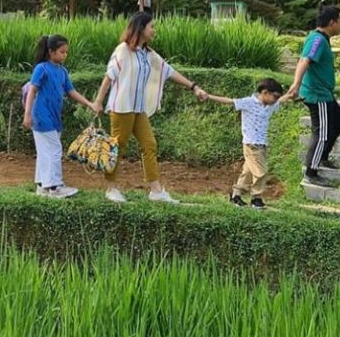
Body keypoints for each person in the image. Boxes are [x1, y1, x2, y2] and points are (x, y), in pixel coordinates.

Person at [92, 11, 208, 204]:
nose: (154, 30)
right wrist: (98, 101)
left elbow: (168, 71)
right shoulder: (123, 50)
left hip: (138, 108)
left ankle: (156, 191)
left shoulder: (148, 54)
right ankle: (111, 189)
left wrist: (194, 87)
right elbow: (109, 76)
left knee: (149, 145)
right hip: (122, 107)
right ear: (141, 28)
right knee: (118, 146)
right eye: (151, 26)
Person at [23, 34, 102, 198]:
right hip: (41, 115)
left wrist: (89, 103)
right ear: (51, 52)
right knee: (54, 150)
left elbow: (71, 91)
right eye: (62, 52)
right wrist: (28, 114)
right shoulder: (42, 69)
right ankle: (55, 187)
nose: (65, 55)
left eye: (66, 52)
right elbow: (32, 90)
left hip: (53, 116)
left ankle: (42, 186)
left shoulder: (62, 71)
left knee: (45, 151)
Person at [285, 6, 340, 188]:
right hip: (317, 95)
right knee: (321, 133)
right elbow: (304, 61)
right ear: (331, 23)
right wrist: (295, 85)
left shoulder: (322, 40)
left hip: (324, 93)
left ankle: (323, 157)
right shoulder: (317, 40)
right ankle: (311, 173)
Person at [206, 78, 289, 209]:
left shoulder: (270, 106)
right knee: (261, 172)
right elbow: (229, 101)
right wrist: (208, 96)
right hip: (251, 144)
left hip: (262, 145)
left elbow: (284, 99)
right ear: (265, 92)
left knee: (249, 172)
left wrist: (292, 93)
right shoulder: (249, 102)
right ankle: (256, 198)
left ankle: (236, 195)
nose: (276, 100)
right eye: (275, 96)